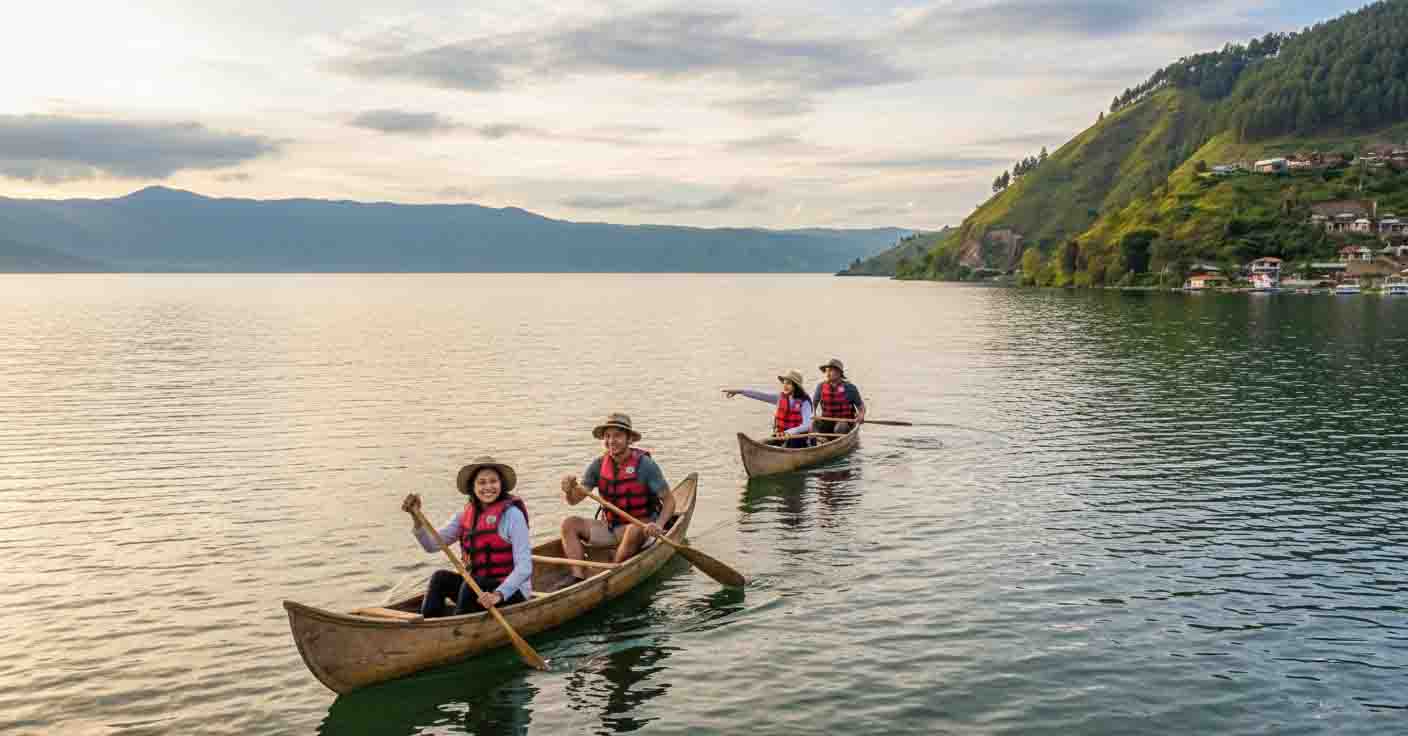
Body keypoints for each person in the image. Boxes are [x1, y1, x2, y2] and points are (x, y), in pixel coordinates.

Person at [400, 456, 532, 618]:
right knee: (440, 578)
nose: (488, 487)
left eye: (493, 481)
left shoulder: (513, 515)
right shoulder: (464, 515)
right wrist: (416, 517)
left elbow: (525, 567)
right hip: (477, 589)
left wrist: (498, 595)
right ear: (473, 487)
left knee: (472, 584)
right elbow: (432, 545)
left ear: (501, 484)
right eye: (481, 482)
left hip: (511, 591)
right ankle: (429, 621)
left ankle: (455, 629)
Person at [559, 413, 675, 581]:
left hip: (641, 528)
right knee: (569, 524)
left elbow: (670, 501)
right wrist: (568, 490)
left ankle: (611, 573)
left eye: (617, 435)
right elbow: (574, 500)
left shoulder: (646, 465)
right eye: (607, 436)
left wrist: (659, 524)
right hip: (611, 527)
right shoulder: (598, 465)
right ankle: (578, 576)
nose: (611, 441)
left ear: (629, 439)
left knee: (633, 530)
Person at [722, 369, 814, 448]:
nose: (785, 386)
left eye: (789, 383)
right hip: (780, 435)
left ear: (796, 386)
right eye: (784, 383)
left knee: (790, 445)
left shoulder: (804, 402)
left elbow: (807, 425)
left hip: (797, 437)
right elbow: (760, 394)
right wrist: (740, 391)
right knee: (768, 443)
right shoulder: (780, 397)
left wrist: (789, 433)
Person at [813, 358, 865, 436]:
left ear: (838, 372)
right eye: (827, 371)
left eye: (830, 370)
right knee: (813, 424)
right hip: (827, 420)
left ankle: (836, 440)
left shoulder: (850, 388)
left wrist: (861, 415)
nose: (828, 373)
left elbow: (861, 407)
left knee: (840, 427)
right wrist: (813, 414)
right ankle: (820, 439)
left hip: (845, 422)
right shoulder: (821, 386)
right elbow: (813, 404)